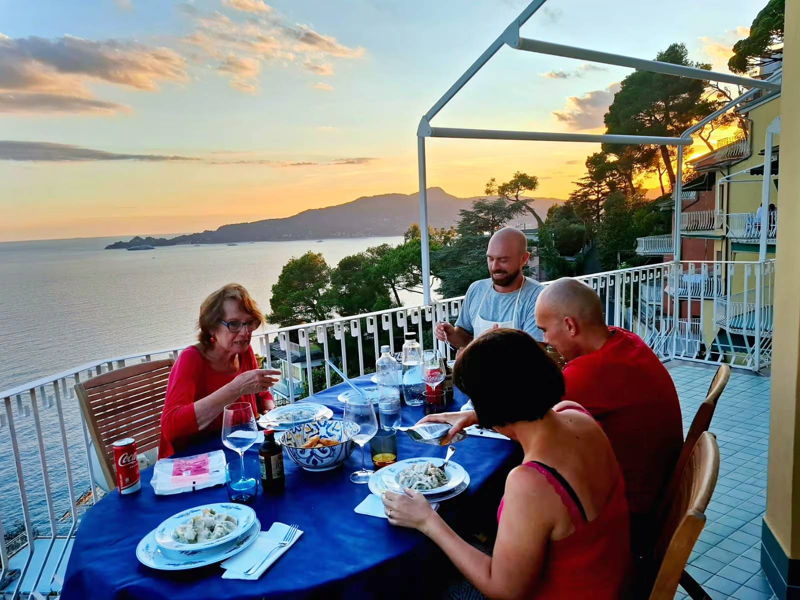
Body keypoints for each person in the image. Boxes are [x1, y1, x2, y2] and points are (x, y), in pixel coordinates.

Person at [423, 278, 683, 552]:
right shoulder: (622, 340)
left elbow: (524, 417)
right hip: (646, 492)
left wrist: (480, 413)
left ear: (570, 326)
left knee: (492, 495)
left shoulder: (587, 376)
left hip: (628, 516)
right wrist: (475, 416)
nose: (545, 339)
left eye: (545, 330)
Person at [383, 329, 631, 599]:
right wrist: (473, 416)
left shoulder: (531, 483)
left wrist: (427, 521)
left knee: (421, 586)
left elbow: (504, 590)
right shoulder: (576, 414)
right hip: (607, 580)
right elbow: (523, 404)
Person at [158, 283, 280, 458]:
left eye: (249, 323)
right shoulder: (191, 359)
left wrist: (271, 411)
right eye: (234, 324)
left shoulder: (244, 352)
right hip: (195, 461)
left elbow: (261, 395)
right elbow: (171, 427)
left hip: (241, 449)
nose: (245, 332)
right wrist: (235, 388)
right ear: (211, 327)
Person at [434, 227, 544, 349]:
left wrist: (486, 342)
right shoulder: (476, 289)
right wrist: (451, 334)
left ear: (524, 259)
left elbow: (534, 355)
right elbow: (465, 339)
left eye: (503, 260)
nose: (495, 266)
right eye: (490, 258)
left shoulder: (537, 296)